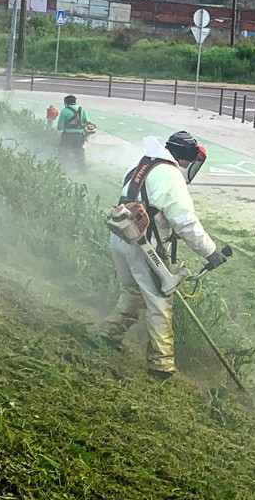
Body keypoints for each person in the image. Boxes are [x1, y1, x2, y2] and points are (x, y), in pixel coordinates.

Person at [96, 132, 228, 380]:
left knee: (132, 292)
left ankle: (108, 333)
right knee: (159, 302)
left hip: (120, 238)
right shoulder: (170, 174)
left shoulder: (142, 164)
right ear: (184, 159)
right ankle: (161, 365)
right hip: (144, 246)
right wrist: (211, 252)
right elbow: (185, 222)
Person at [56, 95, 89, 171]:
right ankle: (82, 170)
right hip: (79, 135)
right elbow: (87, 123)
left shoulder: (64, 111)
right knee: (79, 152)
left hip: (67, 135)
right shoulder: (82, 110)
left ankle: (62, 169)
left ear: (66, 103)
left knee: (63, 151)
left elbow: (59, 127)